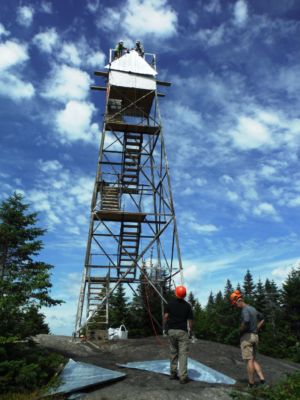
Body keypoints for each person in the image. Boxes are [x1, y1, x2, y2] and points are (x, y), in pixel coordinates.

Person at [230, 290, 266, 388]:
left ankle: (251, 383)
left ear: (238, 301)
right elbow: (262, 318)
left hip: (247, 337)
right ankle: (262, 380)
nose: (235, 306)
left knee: (249, 360)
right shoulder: (253, 308)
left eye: (235, 304)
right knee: (253, 359)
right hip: (255, 336)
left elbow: (246, 320)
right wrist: (257, 327)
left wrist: (240, 330)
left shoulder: (245, 310)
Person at [163, 285, 194, 384]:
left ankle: (173, 373)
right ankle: (183, 377)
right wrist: (191, 332)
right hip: (182, 332)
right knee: (183, 354)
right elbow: (190, 321)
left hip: (171, 331)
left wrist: (165, 328)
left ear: (176, 293)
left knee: (173, 352)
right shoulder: (187, 306)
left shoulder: (170, 304)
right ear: (184, 295)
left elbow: (166, 317)